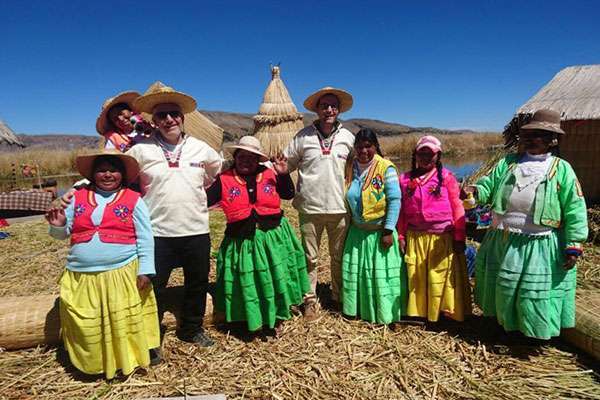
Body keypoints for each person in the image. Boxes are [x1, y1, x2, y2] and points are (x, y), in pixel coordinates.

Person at [469, 109, 588, 340]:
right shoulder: (509, 163)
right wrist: (475, 191)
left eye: (539, 135)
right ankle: (504, 326)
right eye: (528, 135)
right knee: (504, 287)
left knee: (531, 292)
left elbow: (575, 207)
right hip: (503, 238)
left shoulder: (561, 169)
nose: (531, 140)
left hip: (540, 243)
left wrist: (574, 243)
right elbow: (487, 186)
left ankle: (530, 334)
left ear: (553, 140)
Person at [45, 151, 159, 379]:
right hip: (82, 274)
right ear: (93, 174)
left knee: (124, 320)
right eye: (101, 169)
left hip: (122, 271)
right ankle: (94, 363)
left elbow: (145, 236)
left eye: (113, 169)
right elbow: (60, 234)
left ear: (122, 174)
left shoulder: (132, 199)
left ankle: (128, 359)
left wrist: (145, 269)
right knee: (90, 321)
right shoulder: (77, 197)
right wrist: (58, 225)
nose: (107, 174)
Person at [129, 85, 223, 347]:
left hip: (195, 229)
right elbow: (117, 175)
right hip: (157, 233)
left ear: (182, 118)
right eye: (162, 116)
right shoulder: (140, 150)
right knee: (154, 287)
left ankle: (191, 329)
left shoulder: (200, 148)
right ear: (153, 121)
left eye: (174, 114)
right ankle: (151, 337)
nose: (169, 119)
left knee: (197, 283)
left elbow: (214, 171)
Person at [206, 136, 310, 333]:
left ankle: (276, 314)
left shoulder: (270, 174)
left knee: (273, 277)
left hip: (271, 236)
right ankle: (246, 317)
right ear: (235, 158)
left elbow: (288, 194)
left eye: (252, 157)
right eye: (242, 156)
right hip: (241, 240)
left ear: (258, 160)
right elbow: (203, 200)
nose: (246, 160)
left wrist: (284, 174)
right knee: (248, 281)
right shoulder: (224, 179)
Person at [284, 87, 355, 320]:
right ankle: (309, 300)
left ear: (339, 109)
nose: (329, 110)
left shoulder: (348, 137)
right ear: (317, 109)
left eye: (333, 105)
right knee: (309, 258)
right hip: (310, 207)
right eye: (324, 105)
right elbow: (287, 165)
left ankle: (338, 297)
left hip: (340, 207)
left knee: (338, 256)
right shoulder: (303, 136)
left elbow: (358, 167)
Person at [397, 136, 471, 322]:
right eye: (421, 153)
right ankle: (422, 313)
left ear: (438, 156)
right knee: (419, 279)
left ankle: (443, 313)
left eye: (430, 154)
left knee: (441, 277)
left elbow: (457, 207)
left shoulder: (447, 178)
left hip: (442, 237)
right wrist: (400, 236)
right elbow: (401, 212)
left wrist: (459, 237)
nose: (425, 157)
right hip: (416, 237)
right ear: (415, 155)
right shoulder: (404, 179)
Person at [341, 128, 406, 324]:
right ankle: (359, 309)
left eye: (368, 146)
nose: (363, 151)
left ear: (375, 146)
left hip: (379, 233)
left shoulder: (386, 168)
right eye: (359, 147)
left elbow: (395, 200)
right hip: (357, 232)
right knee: (359, 273)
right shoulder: (350, 167)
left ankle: (385, 314)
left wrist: (387, 230)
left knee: (381, 276)